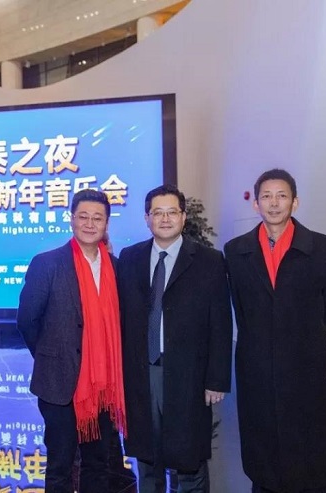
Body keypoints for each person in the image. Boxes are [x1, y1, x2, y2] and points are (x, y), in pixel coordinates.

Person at [224, 169, 326, 493]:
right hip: (257, 366)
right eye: (266, 196)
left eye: (282, 196)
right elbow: (241, 307)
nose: (274, 203)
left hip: (305, 364)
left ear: (295, 202)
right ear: (256, 204)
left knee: (309, 448)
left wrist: (299, 337)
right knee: (263, 449)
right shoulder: (235, 251)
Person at [117, 184, 233, 493]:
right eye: (158, 213)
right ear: (147, 218)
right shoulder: (129, 258)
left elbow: (221, 323)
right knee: (147, 458)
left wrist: (217, 379)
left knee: (189, 460)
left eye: (172, 212)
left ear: (183, 217)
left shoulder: (209, 260)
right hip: (142, 373)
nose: (165, 219)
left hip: (189, 376)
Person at [17, 189, 127, 493]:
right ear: (71, 219)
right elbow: (27, 320)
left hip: (103, 386)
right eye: (83, 217)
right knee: (60, 467)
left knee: (98, 464)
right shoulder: (47, 263)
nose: (90, 224)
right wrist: (51, 355)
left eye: (97, 218)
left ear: (106, 223)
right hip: (59, 383)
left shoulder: (117, 268)